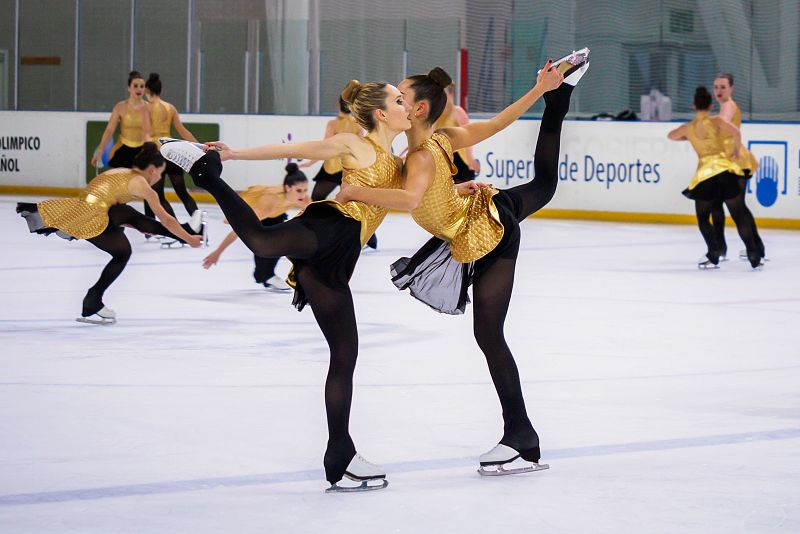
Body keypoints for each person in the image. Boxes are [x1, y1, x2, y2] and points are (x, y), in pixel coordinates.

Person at [335, 49, 589, 476]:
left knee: (489, 335)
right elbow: (496, 125)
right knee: (543, 187)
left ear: (416, 110)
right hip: (479, 210)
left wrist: (354, 193)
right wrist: (540, 91)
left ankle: (521, 437)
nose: (394, 99)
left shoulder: (421, 154)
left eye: (400, 96)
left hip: (488, 231)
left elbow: (411, 197)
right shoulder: (436, 142)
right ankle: (558, 100)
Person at [158, 79, 411, 492]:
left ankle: (340, 455)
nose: (407, 105)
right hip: (331, 229)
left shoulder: (397, 163)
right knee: (263, 240)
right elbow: (294, 151)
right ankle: (209, 177)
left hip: (337, 259)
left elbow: (413, 196)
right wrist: (235, 152)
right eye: (399, 101)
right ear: (381, 114)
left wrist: (457, 190)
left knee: (345, 354)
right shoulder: (355, 143)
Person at [17, 143, 203, 324]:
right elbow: (167, 220)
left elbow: (113, 208)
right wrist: (189, 240)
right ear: (153, 170)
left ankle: (93, 300)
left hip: (82, 211)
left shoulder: (121, 172)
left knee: (129, 217)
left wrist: (136, 225)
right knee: (123, 251)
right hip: (93, 218)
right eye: (161, 173)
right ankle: (93, 300)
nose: (159, 178)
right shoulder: (144, 186)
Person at [667, 86, 763, 269]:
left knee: (703, 217)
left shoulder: (688, 128)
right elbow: (736, 132)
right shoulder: (717, 120)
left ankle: (714, 253)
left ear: (693, 106)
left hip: (705, 175)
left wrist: (688, 137)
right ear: (711, 106)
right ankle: (753, 252)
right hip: (726, 170)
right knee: (739, 214)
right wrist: (735, 148)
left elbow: (671, 136)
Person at [202, 163, 311, 292]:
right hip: (254, 214)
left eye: (305, 190)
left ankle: (264, 275)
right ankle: (265, 275)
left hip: (275, 215)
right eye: (299, 190)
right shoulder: (270, 201)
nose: (303, 195)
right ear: (287, 188)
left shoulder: (303, 198)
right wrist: (218, 252)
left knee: (284, 238)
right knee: (268, 242)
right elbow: (240, 229)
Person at [299, 98, 379, 251]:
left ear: (338, 104)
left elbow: (324, 147)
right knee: (356, 203)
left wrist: (310, 162)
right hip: (351, 168)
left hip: (333, 167)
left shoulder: (334, 124)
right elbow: (362, 147)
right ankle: (370, 239)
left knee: (317, 199)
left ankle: (317, 231)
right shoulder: (357, 124)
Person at [709, 73, 765, 261]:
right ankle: (752, 249)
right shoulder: (725, 107)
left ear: (731, 89)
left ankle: (753, 251)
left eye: (723, 87)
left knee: (736, 209)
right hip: (727, 159)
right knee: (724, 205)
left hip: (732, 162)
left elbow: (724, 123)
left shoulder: (728, 106)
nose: (719, 91)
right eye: (716, 87)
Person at [143, 73, 204, 239]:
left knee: (158, 195)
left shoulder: (145, 108)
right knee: (182, 192)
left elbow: (146, 134)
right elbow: (183, 132)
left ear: (147, 91)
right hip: (172, 150)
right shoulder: (170, 108)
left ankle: (177, 232)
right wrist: (201, 146)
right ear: (160, 90)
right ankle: (199, 223)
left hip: (157, 154)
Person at [91, 71, 151, 170]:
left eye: (142, 86)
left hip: (142, 150)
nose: (139, 89)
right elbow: (110, 130)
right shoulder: (120, 107)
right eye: (135, 86)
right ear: (129, 88)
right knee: (121, 182)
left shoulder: (150, 108)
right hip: (123, 149)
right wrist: (100, 150)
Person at [434, 83, 481, 183]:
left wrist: (470, 158)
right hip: (442, 160)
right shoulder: (435, 113)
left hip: (459, 160)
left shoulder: (457, 112)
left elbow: (469, 135)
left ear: (451, 95)